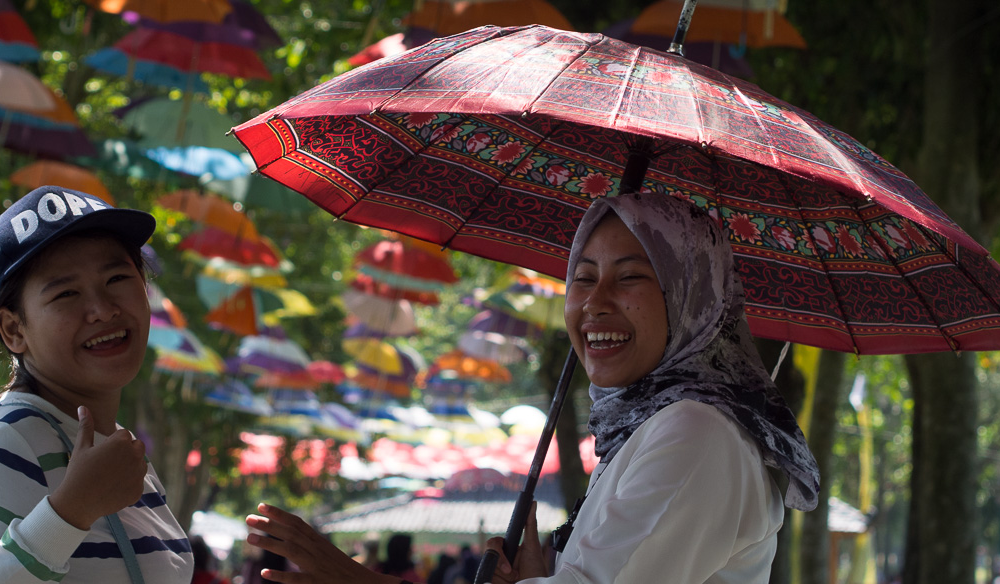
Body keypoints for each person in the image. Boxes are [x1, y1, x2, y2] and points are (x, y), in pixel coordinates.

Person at [243, 191, 819, 584]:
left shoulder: (697, 432)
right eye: (583, 278)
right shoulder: (653, 426)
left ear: (692, 299)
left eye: (631, 277)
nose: (595, 303)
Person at [0, 186, 192, 584]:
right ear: (14, 329)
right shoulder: (1, 443)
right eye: (66, 293)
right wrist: (69, 513)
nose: (102, 310)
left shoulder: (116, 452)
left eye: (117, 278)